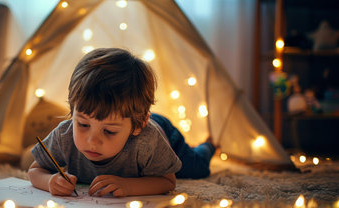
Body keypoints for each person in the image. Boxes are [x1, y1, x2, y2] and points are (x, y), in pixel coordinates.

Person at [28, 48, 215, 197]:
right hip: (134, 117)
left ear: (138, 125)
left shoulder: (147, 140)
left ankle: (208, 146)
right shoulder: (64, 135)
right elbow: (35, 170)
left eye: (109, 131)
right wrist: (50, 181)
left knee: (196, 167)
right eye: (83, 124)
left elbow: (167, 181)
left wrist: (128, 186)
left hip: (164, 132)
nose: (92, 141)